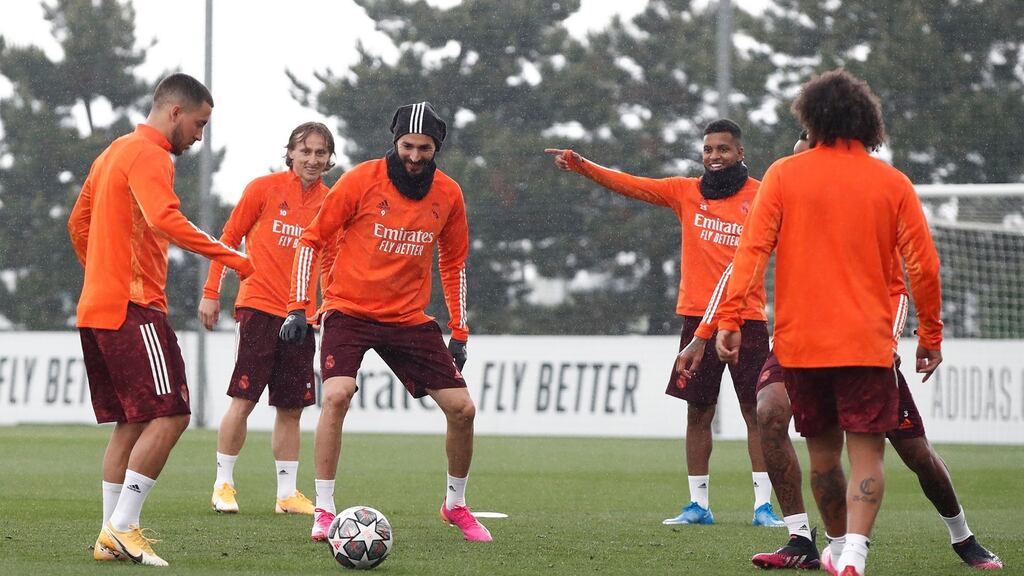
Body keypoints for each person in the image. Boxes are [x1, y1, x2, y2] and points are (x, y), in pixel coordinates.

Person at [688, 132, 1001, 572]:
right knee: (770, 414)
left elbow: (900, 284)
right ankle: (803, 539)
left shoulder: (865, 202)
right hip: (797, 345)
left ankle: (961, 536)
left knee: (916, 454)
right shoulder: (782, 196)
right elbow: (743, 260)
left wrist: (898, 340)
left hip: (861, 347)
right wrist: (713, 327)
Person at [712, 69, 944, 576]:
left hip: (802, 346)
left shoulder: (783, 175)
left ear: (811, 118)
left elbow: (751, 251)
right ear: (867, 122)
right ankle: (854, 555)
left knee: (822, 458)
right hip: (866, 345)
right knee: (867, 457)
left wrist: (730, 317)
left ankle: (835, 548)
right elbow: (923, 266)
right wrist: (930, 335)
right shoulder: (892, 183)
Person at [545, 120, 784, 528]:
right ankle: (698, 505)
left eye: (723, 149)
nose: (714, 156)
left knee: (755, 413)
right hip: (696, 319)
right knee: (698, 412)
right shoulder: (685, 191)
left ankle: (763, 507)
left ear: (740, 153)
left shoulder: (761, 195)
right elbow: (632, 185)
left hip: (747, 319)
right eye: (708, 149)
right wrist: (583, 165)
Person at [280, 101, 491, 542]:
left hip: (408, 319)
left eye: (424, 148)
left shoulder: (449, 194)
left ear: (436, 149)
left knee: (463, 410)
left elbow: (454, 263)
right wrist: (298, 307)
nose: (414, 156)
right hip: (348, 310)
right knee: (337, 395)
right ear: (395, 142)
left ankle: (455, 505)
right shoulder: (361, 180)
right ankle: (324, 510)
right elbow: (311, 239)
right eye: (407, 146)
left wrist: (459, 331)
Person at [67, 73, 254, 566]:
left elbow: (77, 224)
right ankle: (123, 527)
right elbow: (165, 219)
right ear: (175, 112)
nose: (200, 135)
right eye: (199, 123)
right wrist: (233, 258)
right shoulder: (151, 154)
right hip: (134, 308)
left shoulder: (112, 152)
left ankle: (108, 536)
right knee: (172, 414)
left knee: (131, 422)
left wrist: (101, 272)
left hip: (97, 307)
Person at [199, 122, 336, 516]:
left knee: (291, 408)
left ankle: (287, 494)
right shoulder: (263, 189)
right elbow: (227, 240)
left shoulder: (332, 201)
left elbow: (330, 261)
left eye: (321, 152)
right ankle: (223, 484)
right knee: (243, 400)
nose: (312, 159)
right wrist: (211, 292)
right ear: (290, 153)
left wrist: (329, 306)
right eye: (305, 151)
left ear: (330, 158)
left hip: (302, 317)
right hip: (258, 307)